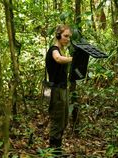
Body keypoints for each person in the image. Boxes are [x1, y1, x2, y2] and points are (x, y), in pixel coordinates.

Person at [45, 24, 72, 155]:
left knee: (64, 120)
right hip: (56, 91)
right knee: (57, 120)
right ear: (58, 35)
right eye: (65, 36)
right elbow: (58, 58)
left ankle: (58, 150)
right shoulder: (54, 49)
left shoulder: (61, 50)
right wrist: (73, 59)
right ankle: (53, 152)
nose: (67, 39)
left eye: (69, 37)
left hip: (62, 89)